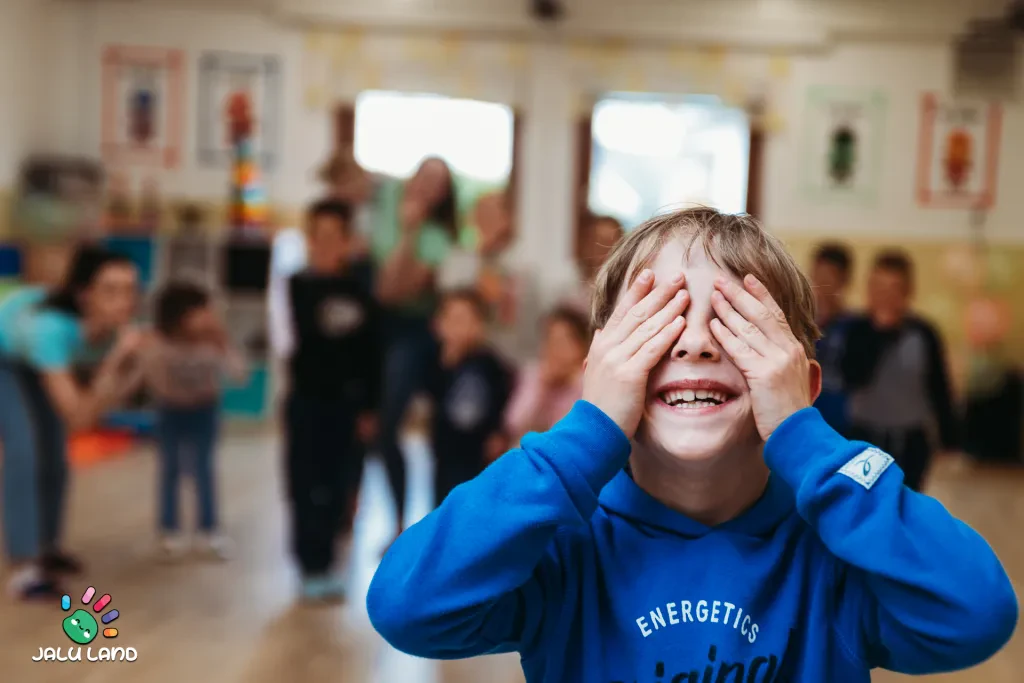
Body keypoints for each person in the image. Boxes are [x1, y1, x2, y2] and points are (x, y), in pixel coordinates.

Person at [367, 208, 1016, 681]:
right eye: (660, 322)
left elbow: (977, 611)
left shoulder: (836, 552)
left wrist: (805, 437)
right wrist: (586, 430)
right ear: (602, 371)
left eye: (735, 325)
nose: (697, 343)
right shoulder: (561, 544)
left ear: (801, 383)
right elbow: (406, 606)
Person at [0, 245, 141, 599]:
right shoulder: (51, 330)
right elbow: (79, 417)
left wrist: (127, 367)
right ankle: (24, 568)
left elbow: (99, 407)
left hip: (33, 358)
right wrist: (115, 364)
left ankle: (46, 548)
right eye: (111, 291)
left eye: (130, 290)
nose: (124, 302)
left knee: (54, 453)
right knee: (24, 451)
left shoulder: (113, 333)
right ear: (85, 295)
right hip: (5, 358)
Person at [284, 199, 381, 602]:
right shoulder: (295, 286)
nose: (325, 245)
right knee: (305, 485)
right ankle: (310, 566)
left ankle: (330, 563)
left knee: (341, 487)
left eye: (333, 237)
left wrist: (370, 407)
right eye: (317, 237)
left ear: (347, 241)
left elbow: (372, 352)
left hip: (348, 406)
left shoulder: (362, 289)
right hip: (307, 402)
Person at [372, 157, 459, 542]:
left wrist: (409, 233)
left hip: (413, 334)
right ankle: (391, 520)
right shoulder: (382, 211)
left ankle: (412, 528)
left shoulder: (438, 238)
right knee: (373, 430)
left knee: (391, 425)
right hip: (374, 333)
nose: (427, 187)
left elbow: (392, 290)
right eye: (425, 176)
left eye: (438, 183)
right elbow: (383, 288)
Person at [841, 250, 958, 493]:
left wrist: (950, 440)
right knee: (864, 500)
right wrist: (880, 333)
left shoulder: (923, 333)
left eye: (893, 288)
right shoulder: (856, 330)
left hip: (911, 440)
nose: (885, 296)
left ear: (907, 291)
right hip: (866, 434)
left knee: (906, 500)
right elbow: (852, 377)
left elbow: (939, 387)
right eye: (878, 287)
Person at [145, 281, 247, 561]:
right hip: (171, 411)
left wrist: (223, 341)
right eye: (201, 311)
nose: (208, 316)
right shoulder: (159, 343)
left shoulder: (213, 343)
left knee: (204, 470)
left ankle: (209, 529)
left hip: (204, 411)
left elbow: (240, 375)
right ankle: (168, 530)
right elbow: (153, 379)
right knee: (170, 470)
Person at [425, 288, 512, 507]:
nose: (458, 328)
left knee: (476, 504)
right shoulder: (435, 361)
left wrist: (497, 432)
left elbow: (501, 399)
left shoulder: (490, 363)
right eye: (452, 320)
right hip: (446, 450)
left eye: (465, 320)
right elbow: (429, 397)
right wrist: (447, 364)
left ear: (480, 325)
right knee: (444, 504)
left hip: (479, 452)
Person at [504, 306, 588, 444]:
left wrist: (569, 382)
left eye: (563, 341)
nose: (555, 348)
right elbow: (514, 423)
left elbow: (571, 433)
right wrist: (542, 387)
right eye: (550, 340)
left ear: (581, 346)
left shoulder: (587, 382)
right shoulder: (534, 374)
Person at [810, 243, 855, 435]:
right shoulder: (801, 321)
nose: (822, 283)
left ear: (844, 280)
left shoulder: (854, 325)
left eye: (829, 276)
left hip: (841, 418)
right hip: (807, 409)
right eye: (818, 275)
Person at [562, 214, 624, 314]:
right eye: (598, 240)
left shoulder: (624, 287)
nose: (603, 248)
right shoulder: (569, 283)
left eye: (610, 242)